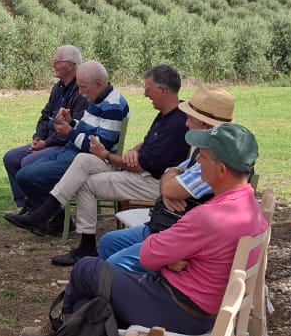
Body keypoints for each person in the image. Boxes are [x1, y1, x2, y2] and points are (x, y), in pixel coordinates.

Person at [26, 124, 267, 336]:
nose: (197, 163)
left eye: (202, 157)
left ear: (220, 169)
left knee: (88, 272)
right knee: (101, 302)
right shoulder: (249, 207)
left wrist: (169, 261)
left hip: (180, 308)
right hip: (201, 307)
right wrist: (173, 260)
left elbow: (149, 253)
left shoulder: (210, 216)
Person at [12, 65, 189, 266]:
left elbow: (142, 165)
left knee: (82, 178)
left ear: (163, 90)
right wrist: (135, 149)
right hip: (143, 171)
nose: (145, 94)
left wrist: (106, 155)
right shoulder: (169, 113)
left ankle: (53, 221)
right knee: (83, 163)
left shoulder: (176, 122)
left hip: (155, 183)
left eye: (148, 89)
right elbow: (148, 143)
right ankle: (57, 224)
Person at [97, 86, 236, 272]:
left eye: (190, 118)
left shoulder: (216, 158)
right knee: (109, 242)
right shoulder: (202, 148)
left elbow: (169, 187)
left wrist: (170, 185)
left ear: (206, 125)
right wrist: (172, 180)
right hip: (163, 225)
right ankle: (120, 290)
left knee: (114, 263)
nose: (186, 124)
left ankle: (131, 291)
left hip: (178, 237)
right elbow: (172, 174)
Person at [5, 60, 129, 224]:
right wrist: (72, 122)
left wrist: (70, 133)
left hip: (90, 159)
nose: (80, 91)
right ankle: (52, 218)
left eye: (83, 87)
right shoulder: (98, 98)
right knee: (24, 171)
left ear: (99, 83)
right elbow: (87, 129)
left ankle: (53, 218)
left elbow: (100, 148)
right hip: (74, 151)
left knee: (27, 176)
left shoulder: (112, 106)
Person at [2, 45, 85, 204]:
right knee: (11, 158)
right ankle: (26, 204)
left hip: (64, 145)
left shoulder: (81, 91)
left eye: (57, 61)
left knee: (27, 162)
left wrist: (45, 144)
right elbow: (45, 116)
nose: (53, 65)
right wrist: (38, 137)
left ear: (70, 65)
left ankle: (45, 210)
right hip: (46, 142)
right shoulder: (58, 88)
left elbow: (73, 129)